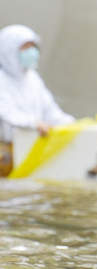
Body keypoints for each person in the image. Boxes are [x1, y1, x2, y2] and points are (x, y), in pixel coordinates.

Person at [0, 25, 75, 176]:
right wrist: (34, 124)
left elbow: (51, 111)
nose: (31, 52)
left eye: (33, 47)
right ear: (9, 50)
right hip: (6, 153)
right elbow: (5, 111)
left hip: (32, 150)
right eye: (25, 47)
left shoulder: (32, 79)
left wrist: (73, 124)